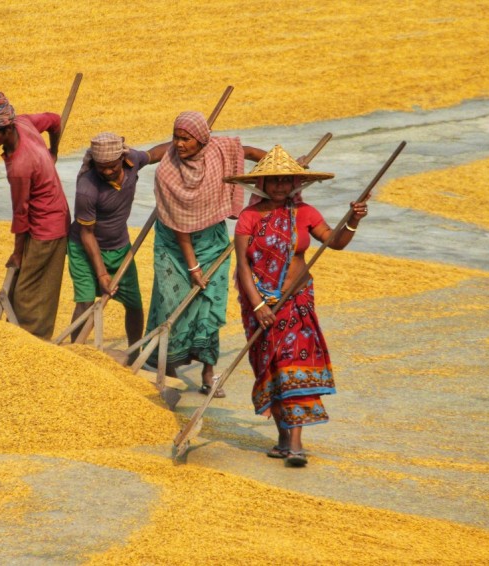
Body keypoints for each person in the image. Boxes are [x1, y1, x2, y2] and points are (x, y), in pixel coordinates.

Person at [227, 145, 368, 467]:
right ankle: (282, 437)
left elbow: (335, 243)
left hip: (298, 303)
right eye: (273, 180)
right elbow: (243, 267)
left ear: (295, 182)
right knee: (273, 370)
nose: (279, 186)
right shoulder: (249, 217)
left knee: (295, 367)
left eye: (285, 180)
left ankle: (295, 443)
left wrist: (353, 220)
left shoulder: (305, 213)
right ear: (261, 184)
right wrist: (259, 304)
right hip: (261, 307)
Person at [147, 111, 265, 397]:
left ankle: (208, 373)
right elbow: (180, 228)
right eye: (175, 137)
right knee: (172, 303)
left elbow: (247, 152)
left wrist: (281, 164)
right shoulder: (167, 171)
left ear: (201, 140)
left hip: (212, 239)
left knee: (210, 304)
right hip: (175, 244)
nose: (178, 144)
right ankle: (169, 371)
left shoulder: (218, 150)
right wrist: (192, 267)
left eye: (185, 138)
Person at [0, 87, 70, 340]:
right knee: (22, 287)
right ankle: (18, 337)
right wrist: (54, 151)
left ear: (6, 130)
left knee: (29, 293)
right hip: (48, 215)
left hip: (47, 226)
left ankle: (33, 342)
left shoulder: (20, 166)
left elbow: (21, 214)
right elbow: (55, 121)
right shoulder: (24, 123)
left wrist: (18, 254)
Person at [68, 133, 170, 347]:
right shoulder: (87, 188)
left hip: (119, 247)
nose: (106, 171)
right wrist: (102, 273)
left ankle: (134, 350)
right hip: (84, 248)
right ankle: (75, 354)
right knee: (85, 302)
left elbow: (154, 154)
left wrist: (178, 146)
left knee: (133, 303)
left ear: (122, 160)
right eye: (100, 167)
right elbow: (87, 235)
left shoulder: (133, 160)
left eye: (112, 167)